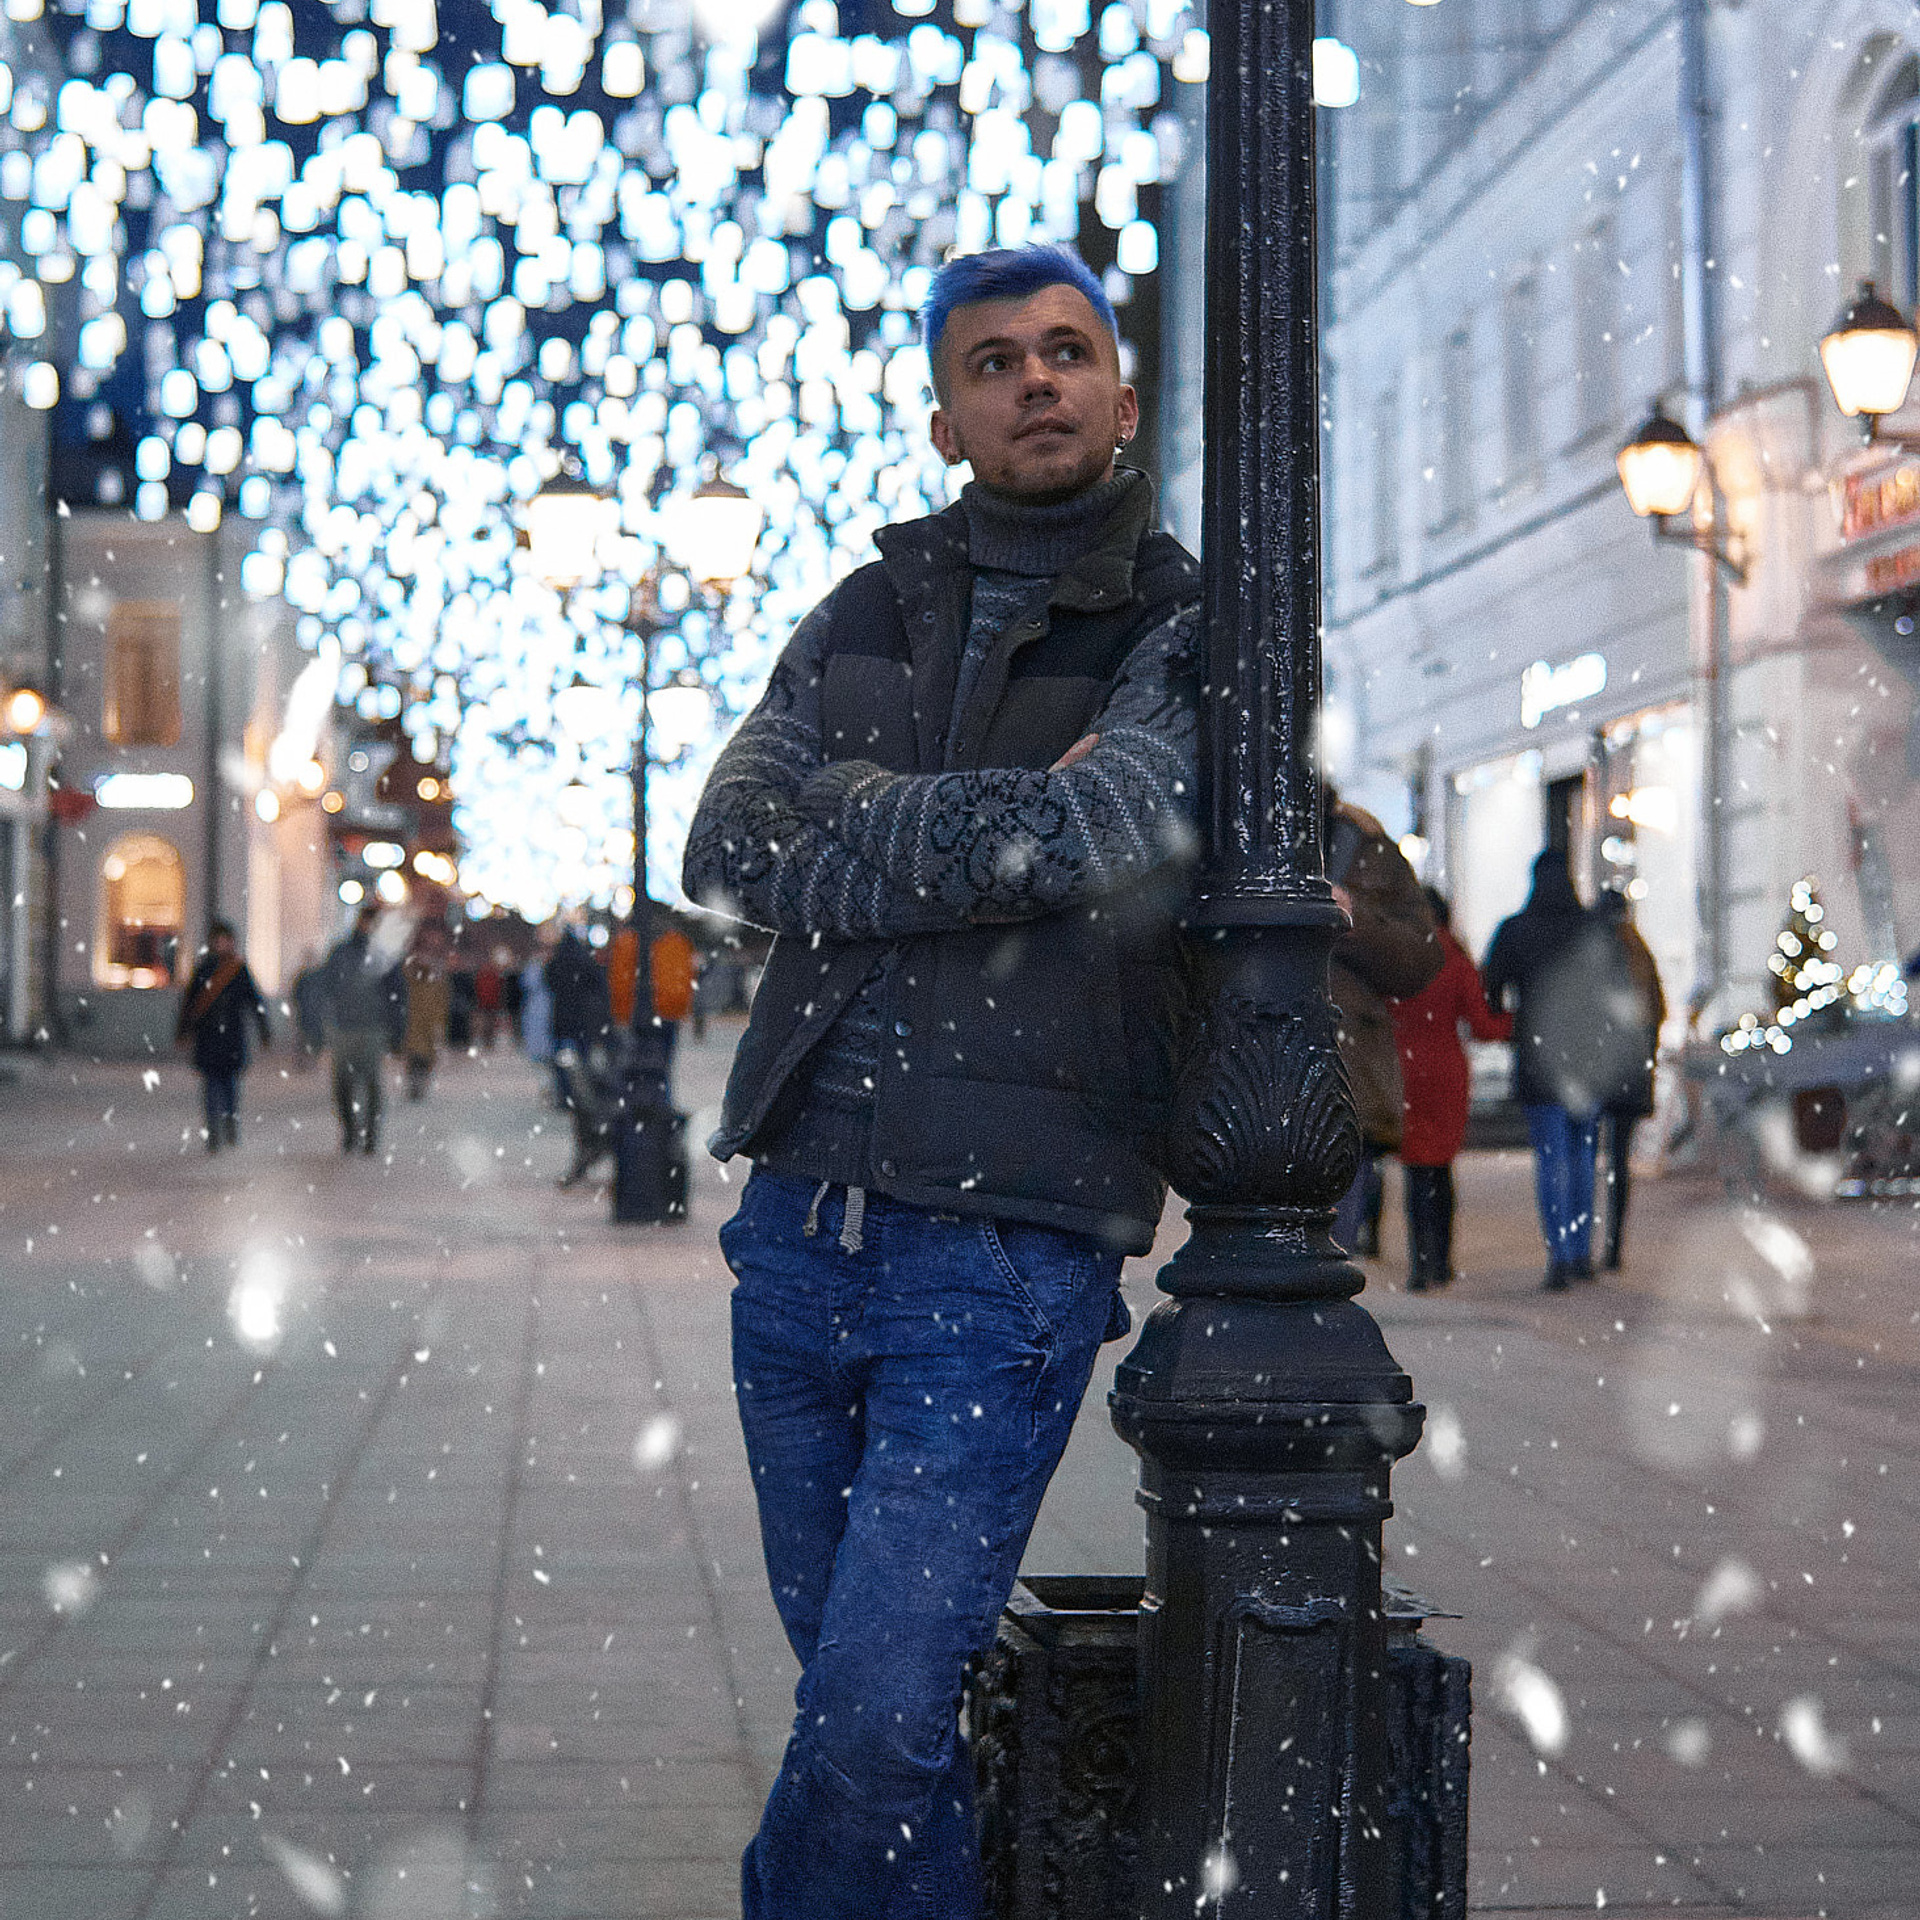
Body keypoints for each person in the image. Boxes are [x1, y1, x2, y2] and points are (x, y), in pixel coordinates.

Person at [683, 242, 1201, 1919]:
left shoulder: (1185, 626)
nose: (1036, 379)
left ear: (1123, 396)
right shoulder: (862, 608)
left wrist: (856, 810)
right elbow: (724, 848)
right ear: (942, 421)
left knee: (871, 1726)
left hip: (1003, 1243)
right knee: (877, 1732)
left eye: (1066, 351)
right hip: (796, 1228)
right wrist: (984, 839)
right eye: (995, 362)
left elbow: (1100, 830)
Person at [1325, 792, 1442, 1257]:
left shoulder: (1361, 841)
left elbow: (1421, 954)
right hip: (1253, 1074)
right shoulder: (1233, 815)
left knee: (1332, 1255)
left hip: (1347, 1076)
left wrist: (1352, 916)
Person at [1483, 848, 1602, 1289]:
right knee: (1583, 1156)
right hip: (1586, 1058)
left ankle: (1559, 1254)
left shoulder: (1516, 930)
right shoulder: (1589, 927)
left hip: (1539, 1057)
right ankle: (1581, 1250)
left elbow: (1491, 989)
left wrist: (1515, 1018)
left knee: (1552, 1158)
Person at [1389, 887, 1512, 1290]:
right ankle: (1441, 1261)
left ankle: (1418, 1265)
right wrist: (1516, 1023)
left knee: (1415, 1170)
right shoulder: (1455, 960)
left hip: (1406, 1069)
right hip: (1446, 1071)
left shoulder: (1399, 960)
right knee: (1441, 1166)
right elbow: (1482, 1025)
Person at [1591, 888, 1667, 1270]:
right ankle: (1613, 1245)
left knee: (1587, 1158)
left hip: (1598, 1072)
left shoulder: (1592, 955)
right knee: (1618, 1163)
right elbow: (1657, 1011)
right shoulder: (1639, 951)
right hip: (1630, 1074)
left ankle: (1581, 1246)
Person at [174, 920, 271, 1152]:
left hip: (231, 1039)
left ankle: (229, 1124)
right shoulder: (204, 969)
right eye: (218, 940)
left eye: (225, 940)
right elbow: (189, 1003)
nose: (221, 944)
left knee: (229, 1087)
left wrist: (264, 1030)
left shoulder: (238, 970)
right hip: (208, 1039)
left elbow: (255, 1001)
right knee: (211, 1087)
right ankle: (214, 1132)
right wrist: (183, 1031)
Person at [317, 904, 404, 1155]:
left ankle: (370, 1135)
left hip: (373, 1028)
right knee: (342, 1085)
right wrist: (323, 1024)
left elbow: (397, 996)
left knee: (372, 1084)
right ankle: (349, 1131)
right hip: (344, 1028)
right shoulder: (341, 953)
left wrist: (397, 1031)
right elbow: (326, 987)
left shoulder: (385, 956)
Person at [401, 929, 451, 1102]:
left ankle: (418, 1085)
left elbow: (442, 1000)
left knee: (424, 1057)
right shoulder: (413, 971)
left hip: (426, 1022)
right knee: (417, 1057)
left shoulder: (437, 974)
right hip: (415, 1021)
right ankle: (416, 1085)